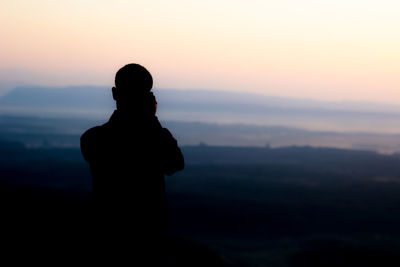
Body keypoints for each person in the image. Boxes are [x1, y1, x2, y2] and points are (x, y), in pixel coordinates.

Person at [80, 63, 184, 265]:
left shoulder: (93, 138)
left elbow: (175, 163)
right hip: (144, 243)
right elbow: (174, 163)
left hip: (108, 241)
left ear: (114, 94)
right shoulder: (151, 138)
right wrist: (152, 120)